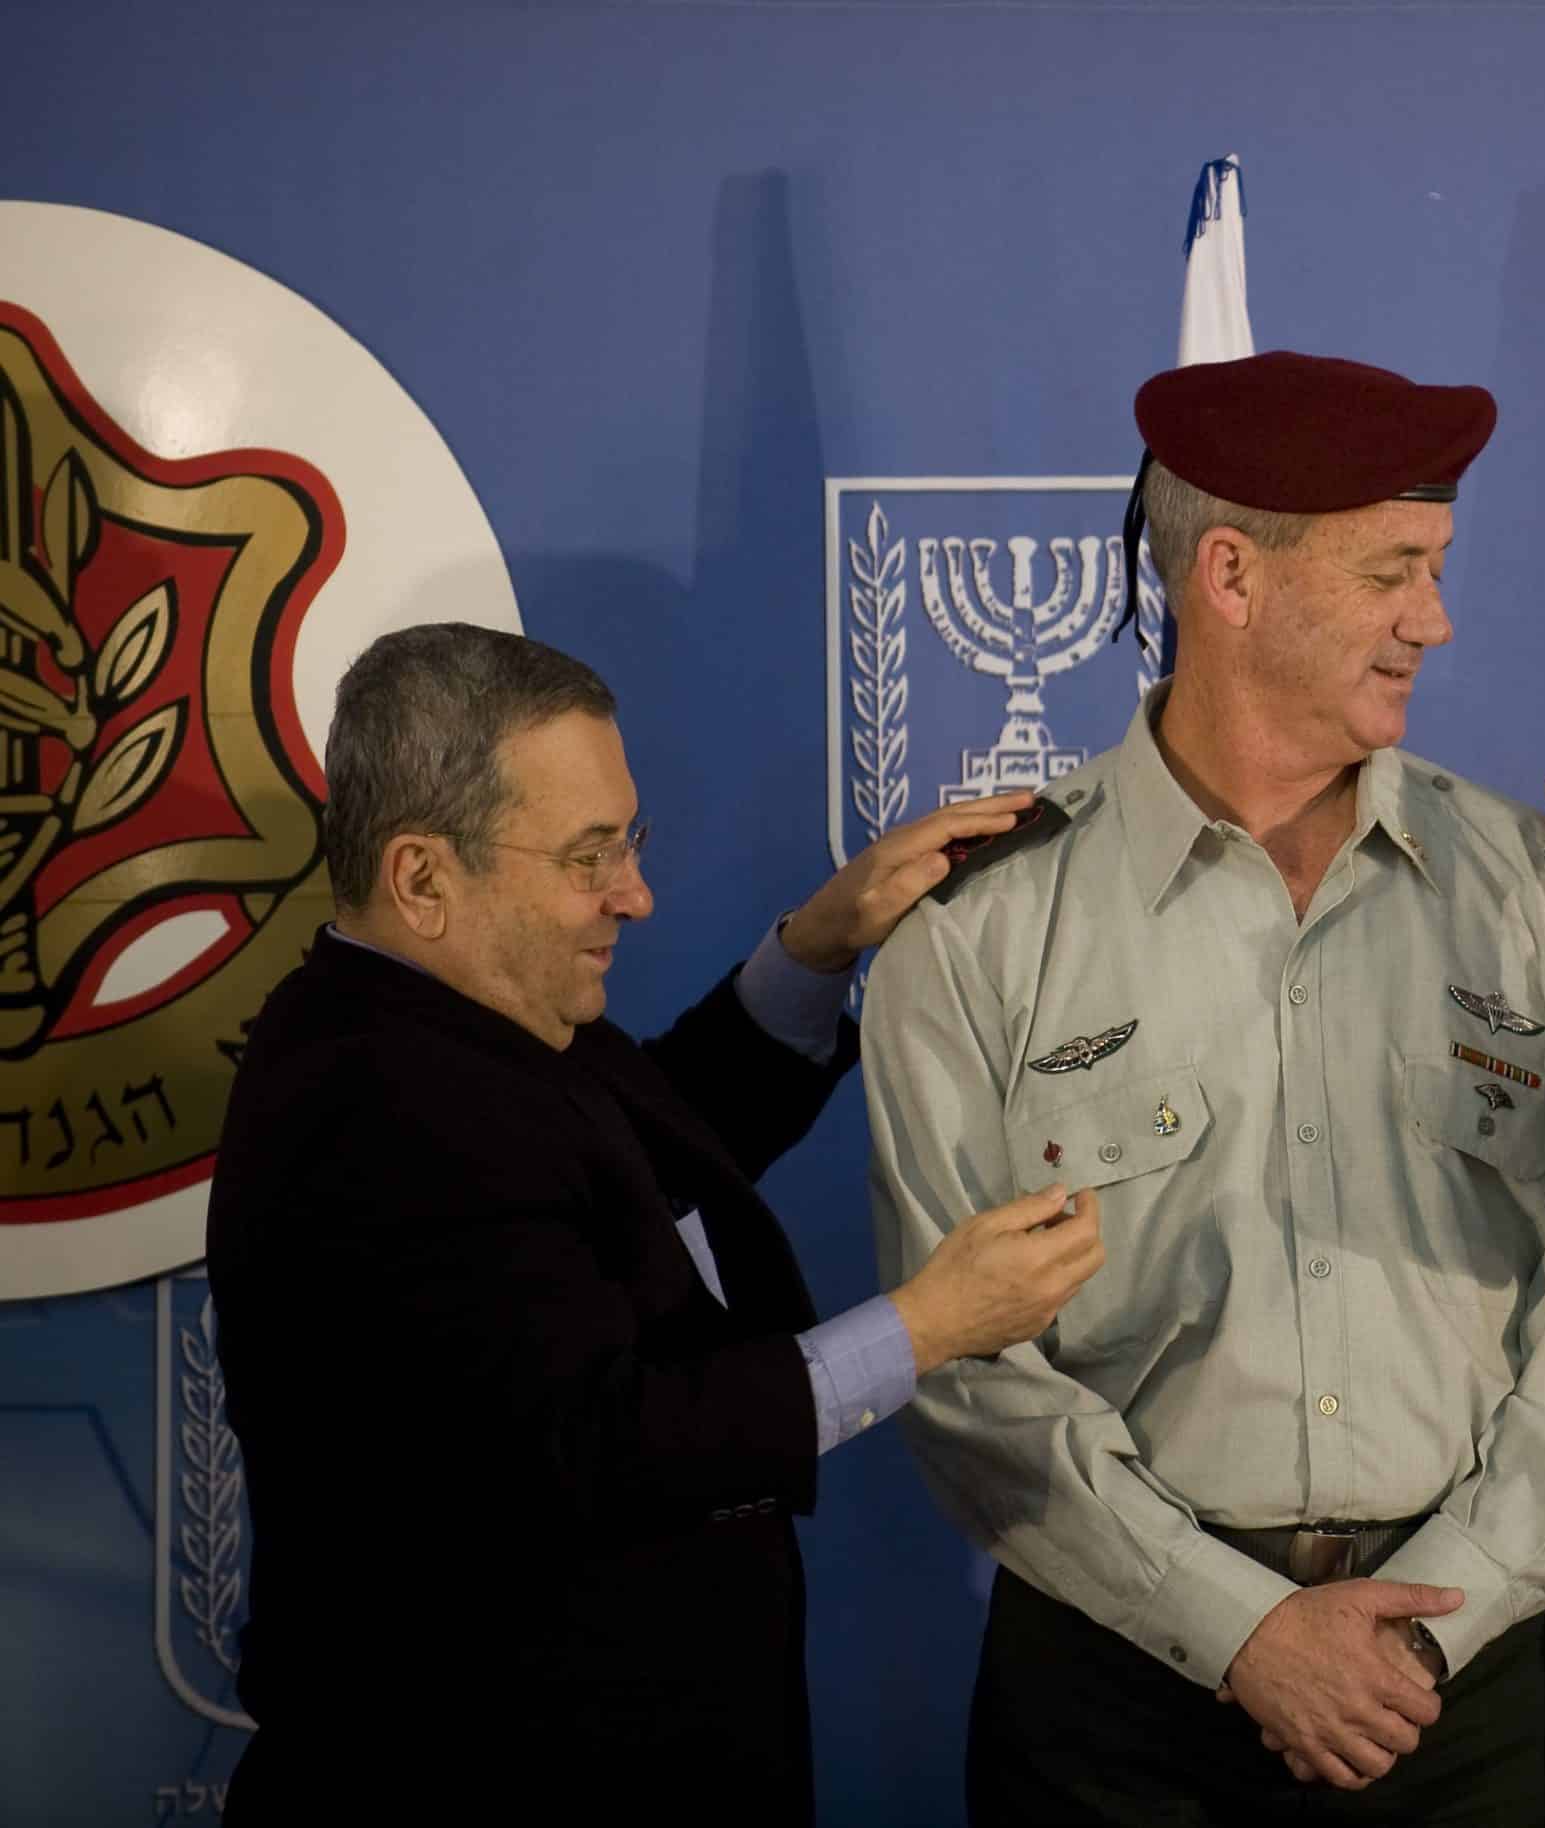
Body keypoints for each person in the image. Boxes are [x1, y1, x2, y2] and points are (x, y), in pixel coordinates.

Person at [861, 350, 1545, 1825]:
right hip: (1116, 1696)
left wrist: (1431, 1622)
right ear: (1230, 577)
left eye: (1436, 570)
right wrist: (1236, 1629)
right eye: (1394, 573)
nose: (1436, 619)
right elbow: (959, 1364)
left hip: (1464, 1689)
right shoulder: (980, 930)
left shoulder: (1541, 902)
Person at [206, 623, 1105, 1823]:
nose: (635, 893)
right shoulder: (369, 1107)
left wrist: (816, 947)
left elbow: (636, 1164)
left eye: (629, 840)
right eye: (588, 857)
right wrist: (926, 1327)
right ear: (422, 879)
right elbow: (600, 1442)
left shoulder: (451, 1019)